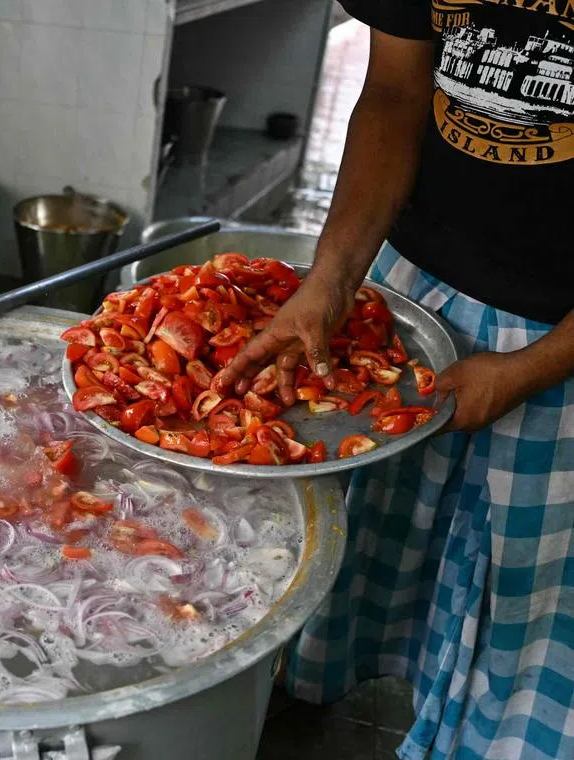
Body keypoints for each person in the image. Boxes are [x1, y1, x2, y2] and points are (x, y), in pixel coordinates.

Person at [217, 1, 574, 758]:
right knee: (370, 532)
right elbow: (394, 93)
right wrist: (333, 279)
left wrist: (536, 365)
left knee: (525, 589)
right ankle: (319, 683)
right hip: (414, 290)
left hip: (561, 327)